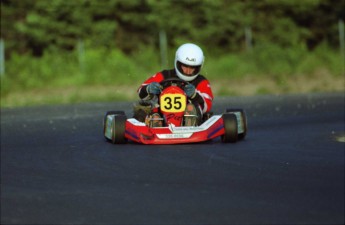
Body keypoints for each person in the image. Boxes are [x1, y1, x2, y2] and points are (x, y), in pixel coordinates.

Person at [135, 43, 214, 127]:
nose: (187, 71)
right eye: (185, 66)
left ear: (198, 67)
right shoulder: (164, 75)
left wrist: (194, 95)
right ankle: (156, 120)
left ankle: (190, 122)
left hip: (188, 115)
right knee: (147, 108)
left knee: (192, 107)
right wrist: (148, 89)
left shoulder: (201, 81)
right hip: (163, 114)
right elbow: (140, 91)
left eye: (192, 67)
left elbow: (207, 105)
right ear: (178, 63)